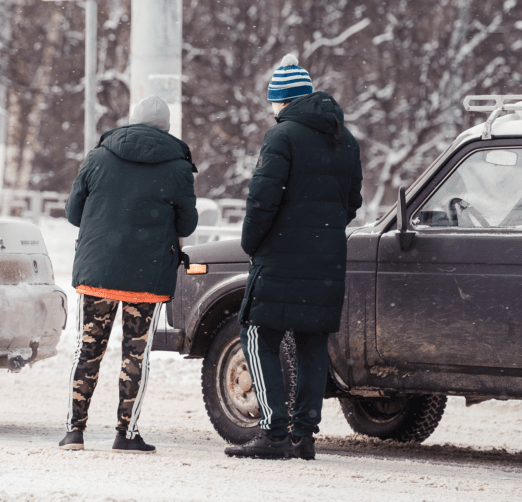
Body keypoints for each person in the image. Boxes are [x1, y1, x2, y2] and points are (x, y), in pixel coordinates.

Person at [225, 54, 362, 460]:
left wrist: (252, 244)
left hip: (280, 256)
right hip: (327, 259)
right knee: (311, 340)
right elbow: (351, 202)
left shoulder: (281, 138)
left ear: (281, 101)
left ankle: (273, 432)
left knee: (256, 333)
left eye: (273, 102)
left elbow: (261, 201)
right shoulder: (346, 139)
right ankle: (304, 435)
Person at [60, 96, 198, 454]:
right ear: (166, 128)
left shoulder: (98, 156)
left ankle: (74, 432)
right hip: (147, 276)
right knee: (135, 356)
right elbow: (188, 223)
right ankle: (126, 433)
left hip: (98, 271)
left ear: (131, 121)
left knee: (87, 350)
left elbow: (74, 213)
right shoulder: (179, 166)